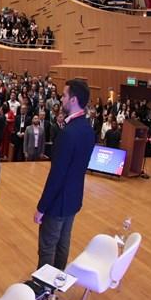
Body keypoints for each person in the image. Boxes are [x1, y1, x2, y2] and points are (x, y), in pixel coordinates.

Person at [34, 79, 96, 270]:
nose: (62, 99)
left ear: (74, 99)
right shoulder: (88, 129)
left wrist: (42, 207)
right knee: (63, 243)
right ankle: (56, 282)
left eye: (65, 95)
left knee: (47, 246)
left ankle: (43, 289)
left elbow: (57, 175)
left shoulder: (68, 133)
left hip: (58, 201)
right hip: (74, 197)